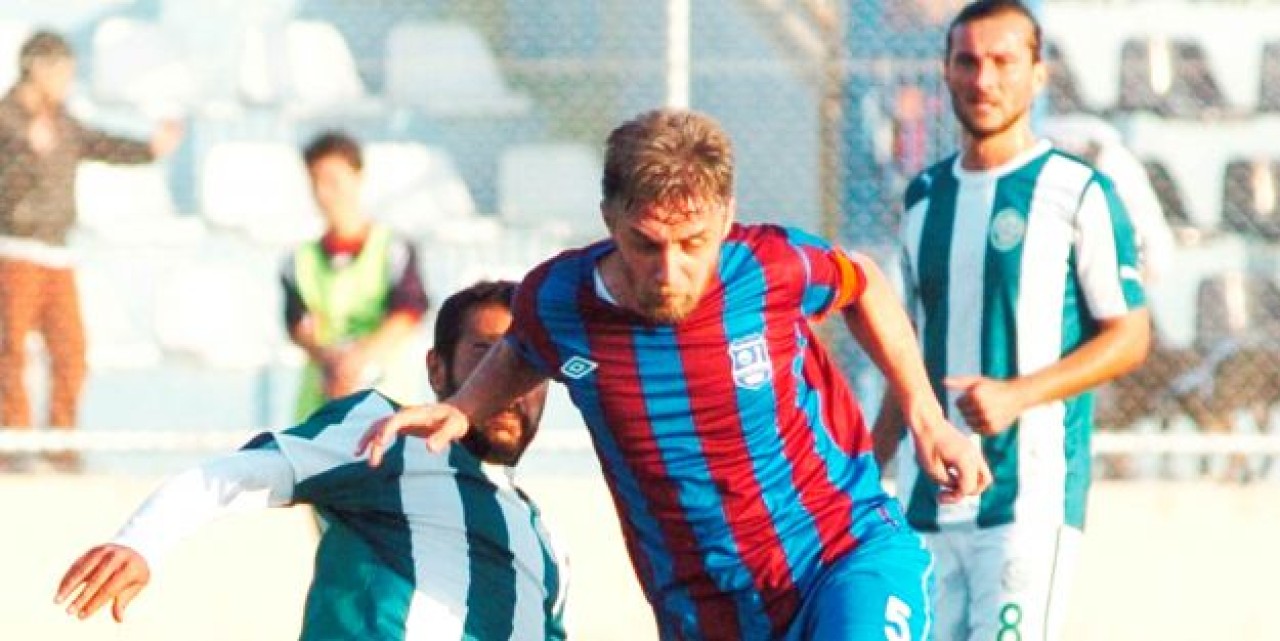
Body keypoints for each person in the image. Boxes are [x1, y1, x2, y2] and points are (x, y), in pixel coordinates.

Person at [360, 108, 991, 640]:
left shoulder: (769, 266)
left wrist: (926, 418)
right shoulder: (559, 299)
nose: (670, 270)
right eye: (647, 244)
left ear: (726, 216)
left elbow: (864, 284)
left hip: (841, 556)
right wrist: (464, 407)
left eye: (692, 243)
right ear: (609, 219)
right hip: (704, 609)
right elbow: (524, 349)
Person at [54, 280, 567, 640]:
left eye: (525, 366)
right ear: (436, 369)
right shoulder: (388, 434)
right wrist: (142, 540)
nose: (511, 384)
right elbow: (244, 471)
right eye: (485, 352)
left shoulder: (547, 546)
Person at [873, 2, 1151, 640]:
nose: (985, 79)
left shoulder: (1077, 191)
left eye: (1003, 61)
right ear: (946, 71)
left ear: (1038, 73)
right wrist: (865, 467)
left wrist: (1017, 395)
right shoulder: (923, 198)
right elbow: (907, 352)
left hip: (1027, 501)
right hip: (924, 502)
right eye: (968, 61)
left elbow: (1130, 335)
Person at [0, 31, 182, 471]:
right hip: (13, 250)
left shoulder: (63, 121)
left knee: (70, 349)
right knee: (10, 350)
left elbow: (100, 144)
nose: (67, 83)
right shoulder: (6, 119)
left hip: (56, 252)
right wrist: (22, 143)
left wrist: (148, 149)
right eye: (62, 74)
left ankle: (61, 444)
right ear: (38, 70)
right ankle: (12, 443)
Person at [281, 130, 429, 420]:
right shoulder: (297, 261)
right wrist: (330, 361)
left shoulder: (393, 249)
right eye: (315, 181)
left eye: (333, 181)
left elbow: (408, 312)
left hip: (388, 405)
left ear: (358, 177)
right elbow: (298, 325)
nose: (324, 193)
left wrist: (359, 359)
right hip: (319, 407)